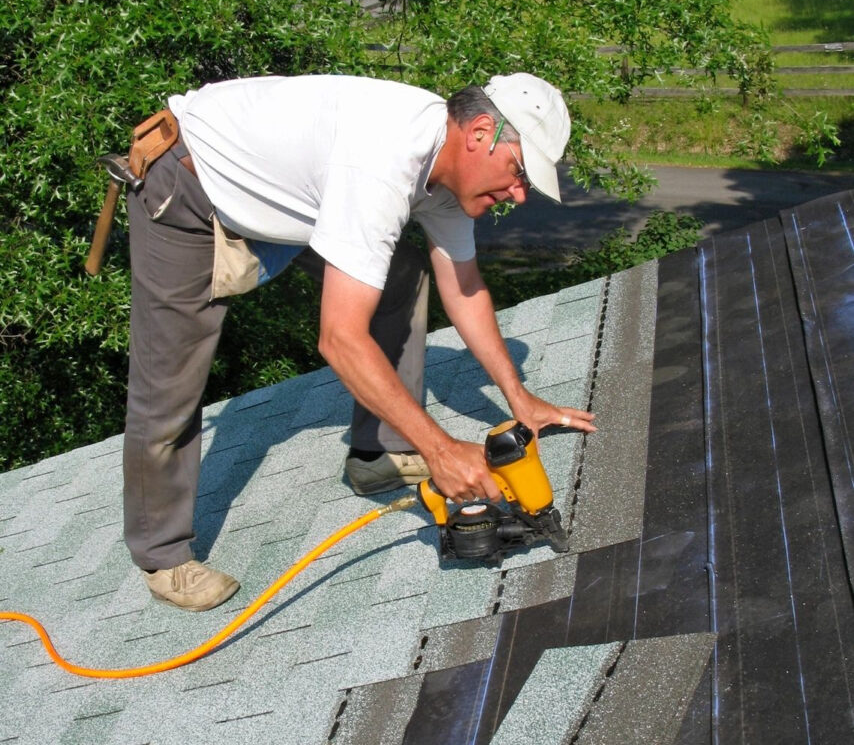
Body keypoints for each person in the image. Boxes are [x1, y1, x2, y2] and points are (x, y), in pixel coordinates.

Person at [123, 71, 597, 611]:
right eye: (517, 172)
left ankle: (378, 453)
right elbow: (340, 339)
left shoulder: (446, 169)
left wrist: (520, 398)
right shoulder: (382, 163)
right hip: (188, 184)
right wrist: (441, 450)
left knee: (402, 276)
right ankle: (161, 554)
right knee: (168, 383)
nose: (517, 194)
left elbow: (463, 287)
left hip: (289, 194)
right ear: (480, 132)